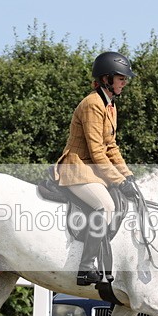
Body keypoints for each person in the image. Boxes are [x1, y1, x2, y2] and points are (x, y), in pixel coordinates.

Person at [54, 51, 137, 286]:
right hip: (77, 167)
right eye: (121, 78)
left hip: (91, 169)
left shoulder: (110, 106)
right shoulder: (92, 104)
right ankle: (85, 267)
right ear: (106, 79)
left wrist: (128, 175)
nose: (125, 82)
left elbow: (111, 146)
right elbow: (96, 151)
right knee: (105, 206)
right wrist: (118, 180)